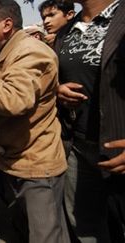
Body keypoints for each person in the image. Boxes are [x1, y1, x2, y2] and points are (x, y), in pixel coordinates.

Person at [0, 0, 69, 242]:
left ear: (7, 25)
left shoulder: (29, 51)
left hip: (36, 167)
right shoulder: (7, 55)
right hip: (16, 162)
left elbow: (15, 99)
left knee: (46, 237)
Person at [53, 0, 125, 242]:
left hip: (119, 150)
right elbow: (56, 77)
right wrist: (57, 90)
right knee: (85, 225)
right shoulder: (65, 32)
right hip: (79, 148)